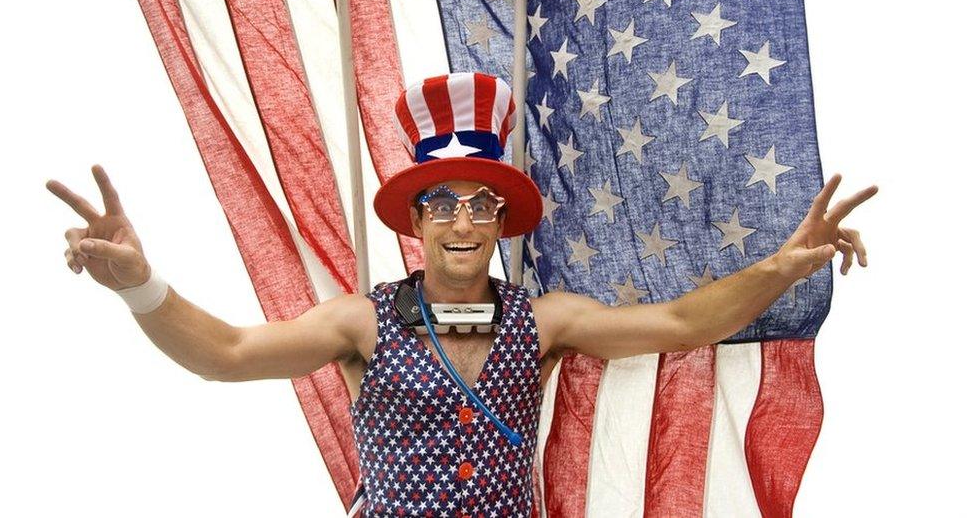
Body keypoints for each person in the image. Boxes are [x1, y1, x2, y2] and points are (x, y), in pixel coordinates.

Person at [46, 72, 877, 517]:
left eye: (482, 201)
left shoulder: (546, 321)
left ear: (503, 216)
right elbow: (225, 354)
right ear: (415, 216)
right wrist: (139, 285)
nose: (462, 220)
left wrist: (783, 265)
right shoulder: (359, 322)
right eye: (442, 200)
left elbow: (678, 321)